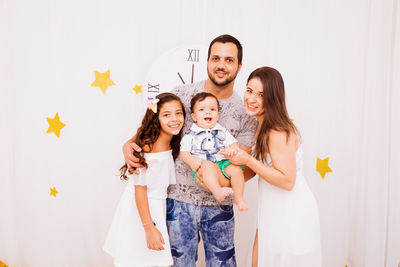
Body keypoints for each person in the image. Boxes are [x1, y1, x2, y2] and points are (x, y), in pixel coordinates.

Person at [123, 34, 256, 266]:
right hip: (179, 201)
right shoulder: (181, 94)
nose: (221, 65)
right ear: (207, 62)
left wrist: (218, 181)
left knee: (223, 263)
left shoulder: (245, 112)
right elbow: (151, 120)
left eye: (229, 60)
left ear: (239, 66)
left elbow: (243, 162)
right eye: (215, 58)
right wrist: (129, 143)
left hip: (220, 205)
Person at [220, 66, 322, 267]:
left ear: (273, 98)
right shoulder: (261, 125)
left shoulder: (277, 131)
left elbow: (287, 181)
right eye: (249, 90)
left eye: (261, 95)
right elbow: (255, 169)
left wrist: (248, 160)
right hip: (272, 208)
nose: (251, 98)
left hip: (290, 210)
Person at [104, 93, 186, 267]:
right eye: (167, 114)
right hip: (142, 208)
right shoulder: (150, 146)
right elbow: (139, 189)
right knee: (138, 258)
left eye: (179, 113)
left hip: (155, 205)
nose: (175, 119)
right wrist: (149, 227)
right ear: (156, 119)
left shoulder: (170, 141)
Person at [180, 92, 248, 211]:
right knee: (207, 165)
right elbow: (184, 152)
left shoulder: (222, 131)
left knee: (236, 170)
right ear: (194, 116)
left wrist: (233, 149)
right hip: (204, 165)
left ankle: (239, 197)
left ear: (218, 114)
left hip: (223, 162)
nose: (208, 112)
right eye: (202, 110)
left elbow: (233, 142)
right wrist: (192, 162)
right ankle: (217, 191)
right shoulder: (191, 135)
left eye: (212, 109)